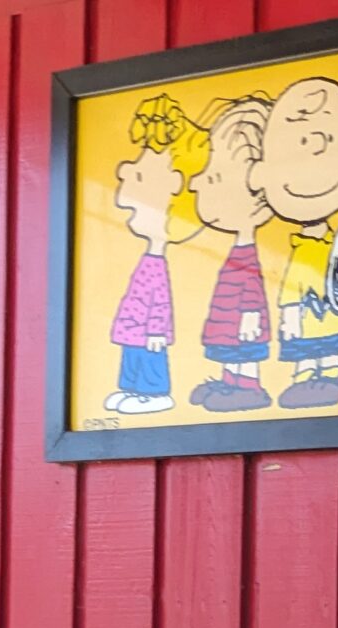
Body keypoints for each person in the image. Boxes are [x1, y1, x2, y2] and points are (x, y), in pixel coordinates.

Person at [254, 78, 338, 409]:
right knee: (308, 355)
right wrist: (289, 315)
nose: (316, 149)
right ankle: (306, 379)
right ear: (261, 174)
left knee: (333, 353)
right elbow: (291, 286)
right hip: (309, 317)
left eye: (330, 139)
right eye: (300, 142)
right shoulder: (301, 250)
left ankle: (332, 375)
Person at [104, 95, 205, 415]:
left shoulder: (158, 265)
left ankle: (154, 392)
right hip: (132, 330)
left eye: (141, 176)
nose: (124, 174)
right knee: (132, 360)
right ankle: (131, 389)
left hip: (147, 333)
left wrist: (158, 331)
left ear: (175, 187)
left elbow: (160, 300)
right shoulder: (147, 260)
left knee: (149, 361)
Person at [187, 96, 274, 411]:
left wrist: (251, 314)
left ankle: (248, 387)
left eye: (215, 175)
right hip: (229, 321)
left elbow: (252, 286)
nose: (196, 183)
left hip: (242, 321)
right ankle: (229, 384)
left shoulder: (248, 255)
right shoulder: (235, 251)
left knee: (245, 354)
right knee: (231, 353)